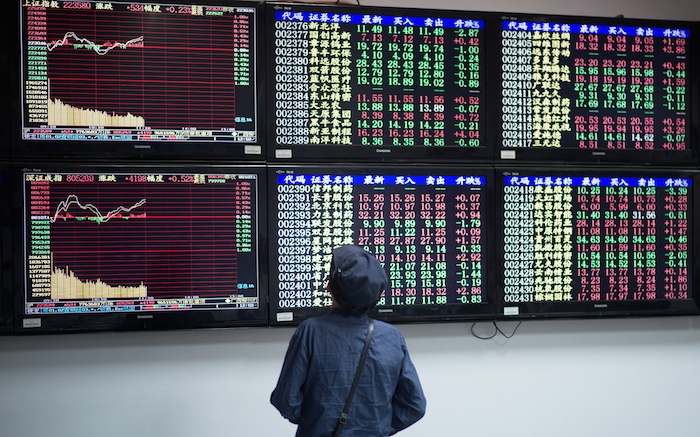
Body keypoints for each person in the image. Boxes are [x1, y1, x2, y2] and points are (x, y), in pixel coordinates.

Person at [271, 244, 427, 437]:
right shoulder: (392, 337)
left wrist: (316, 422)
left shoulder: (311, 332)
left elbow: (286, 401)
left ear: (330, 287)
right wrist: (379, 426)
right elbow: (415, 405)